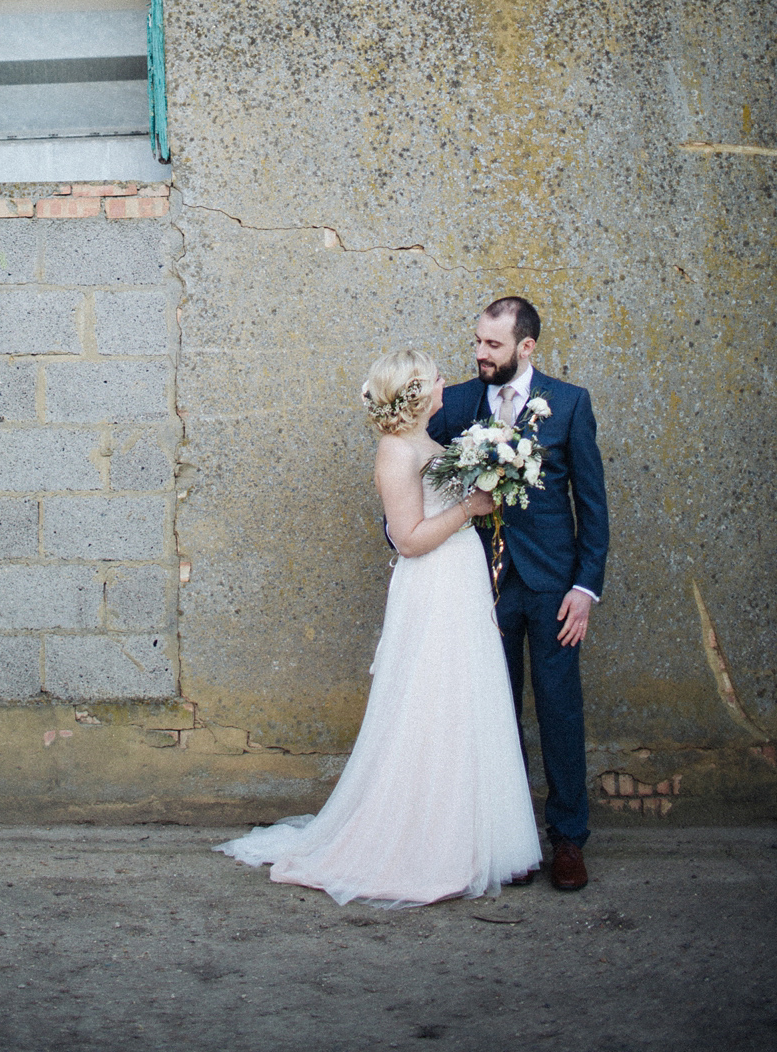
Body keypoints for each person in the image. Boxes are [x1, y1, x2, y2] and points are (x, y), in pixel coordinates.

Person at [216, 348, 541, 907]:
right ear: (417, 390)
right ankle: (418, 845)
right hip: (433, 587)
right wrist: (471, 509)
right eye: (436, 376)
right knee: (427, 705)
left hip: (459, 586)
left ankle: (466, 840)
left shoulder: (432, 442)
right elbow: (409, 538)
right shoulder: (395, 451)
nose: (446, 382)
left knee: (462, 705)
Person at [428, 297, 609, 892]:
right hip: (479, 587)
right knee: (492, 715)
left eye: (493, 345)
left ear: (526, 348)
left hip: (554, 590)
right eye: (477, 342)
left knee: (559, 712)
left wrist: (585, 588)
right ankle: (506, 840)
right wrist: (401, 531)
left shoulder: (569, 403)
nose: (480, 354)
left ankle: (567, 840)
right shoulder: (454, 402)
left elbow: (592, 506)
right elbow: (406, 462)